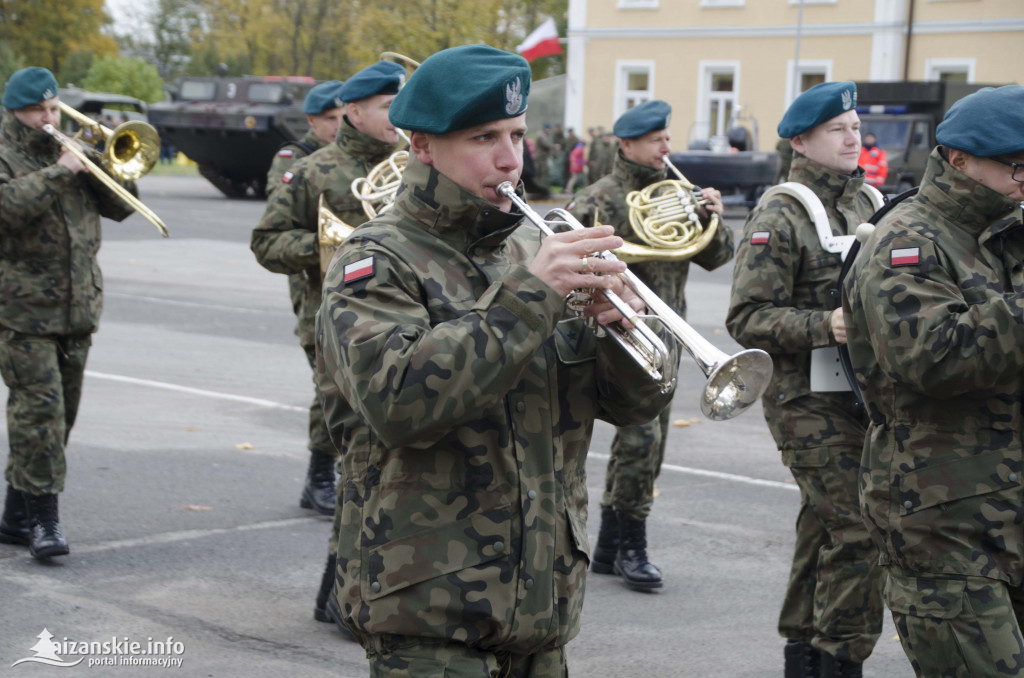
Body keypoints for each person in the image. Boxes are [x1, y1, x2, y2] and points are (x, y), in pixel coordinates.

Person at [315, 44, 677, 675]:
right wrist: (532, 297)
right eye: (484, 137)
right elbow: (401, 403)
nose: (511, 159)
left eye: (516, 134)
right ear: (423, 146)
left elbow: (637, 406)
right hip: (429, 609)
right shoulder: (375, 262)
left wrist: (622, 329)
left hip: (544, 600)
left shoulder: (533, 248)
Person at [843, 85, 1024, 678]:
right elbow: (933, 358)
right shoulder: (908, 240)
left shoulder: (1008, 229)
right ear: (958, 159)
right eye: (1016, 167)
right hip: (942, 515)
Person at [726, 81, 885, 678]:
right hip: (804, 400)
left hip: (862, 395)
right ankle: (840, 661)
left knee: (825, 526)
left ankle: (802, 654)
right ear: (802, 140)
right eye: (838, 129)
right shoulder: (781, 212)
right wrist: (827, 323)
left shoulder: (868, 201)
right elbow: (745, 318)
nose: (853, 137)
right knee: (859, 527)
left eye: (855, 126)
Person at [251, 60, 404, 628]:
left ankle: (341, 593)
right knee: (361, 461)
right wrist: (332, 249)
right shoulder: (314, 172)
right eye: (387, 106)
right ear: (354, 111)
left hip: (403, 329)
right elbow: (267, 242)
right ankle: (341, 594)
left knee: (383, 463)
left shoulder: (412, 167)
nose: (397, 117)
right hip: (336, 331)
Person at [567, 99, 730, 592]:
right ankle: (632, 543)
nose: (666, 148)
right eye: (656, 140)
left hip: (671, 334)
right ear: (628, 144)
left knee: (651, 444)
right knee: (641, 440)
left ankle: (613, 545)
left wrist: (714, 218)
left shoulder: (679, 192)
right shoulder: (598, 197)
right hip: (619, 333)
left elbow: (716, 258)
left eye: (667, 138)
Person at [0, 67, 139, 560]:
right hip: (22, 312)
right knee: (39, 416)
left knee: (59, 422)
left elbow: (123, 208)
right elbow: (6, 210)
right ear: (14, 112)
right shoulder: (7, 155)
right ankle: (44, 523)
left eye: (54, 108)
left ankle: (15, 516)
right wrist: (62, 169)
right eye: (38, 111)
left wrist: (106, 163)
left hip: (78, 309)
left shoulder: (75, 153)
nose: (49, 117)